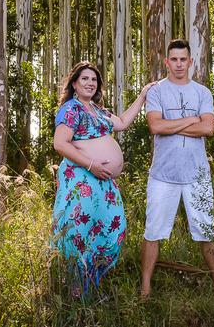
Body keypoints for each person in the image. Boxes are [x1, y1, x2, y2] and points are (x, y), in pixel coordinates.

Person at [52, 62, 155, 291]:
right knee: (78, 230)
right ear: (74, 84)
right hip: (81, 177)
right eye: (85, 79)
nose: (90, 83)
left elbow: (123, 122)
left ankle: (91, 281)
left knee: (113, 227)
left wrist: (142, 96)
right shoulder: (71, 109)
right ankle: (73, 288)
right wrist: (91, 165)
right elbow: (60, 143)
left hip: (104, 181)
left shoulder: (98, 111)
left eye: (94, 80)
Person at [140, 39, 214, 299]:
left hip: (196, 175)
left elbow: (208, 128)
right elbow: (155, 126)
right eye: (174, 59)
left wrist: (172, 125)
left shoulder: (202, 93)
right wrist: (191, 119)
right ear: (166, 62)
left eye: (183, 59)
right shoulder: (156, 91)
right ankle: (145, 289)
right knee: (152, 232)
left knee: (207, 232)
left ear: (190, 62)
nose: (178, 64)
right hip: (163, 175)